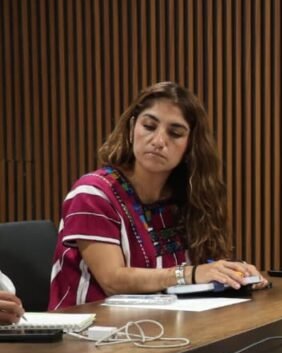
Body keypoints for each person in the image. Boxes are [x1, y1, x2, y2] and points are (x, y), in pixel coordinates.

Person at [49, 82, 266, 309]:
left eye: (175, 133)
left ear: (190, 146)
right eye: (149, 126)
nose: (158, 141)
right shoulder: (92, 193)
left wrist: (233, 274)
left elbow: (203, 269)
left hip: (167, 324)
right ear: (132, 128)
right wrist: (189, 274)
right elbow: (113, 280)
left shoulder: (188, 198)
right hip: (92, 327)